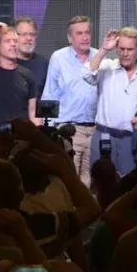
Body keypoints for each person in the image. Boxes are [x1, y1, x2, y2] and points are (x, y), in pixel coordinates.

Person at [42, 16, 99, 186]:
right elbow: (49, 93)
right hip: (68, 129)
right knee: (68, 179)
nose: (85, 37)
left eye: (87, 32)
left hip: (95, 129)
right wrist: (50, 131)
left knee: (91, 179)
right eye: (79, 33)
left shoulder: (98, 56)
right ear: (70, 38)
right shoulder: (58, 58)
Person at [83, 28, 137, 175]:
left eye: (129, 49)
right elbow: (86, 74)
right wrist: (104, 49)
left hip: (131, 140)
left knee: (129, 185)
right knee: (101, 186)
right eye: (121, 49)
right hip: (104, 136)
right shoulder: (107, 66)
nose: (125, 53)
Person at [15, 17, 49, 98]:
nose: (29, 38)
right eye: (24, 34)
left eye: (32, 34)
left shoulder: (43, 64)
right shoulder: (5, 62)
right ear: (14, 36)